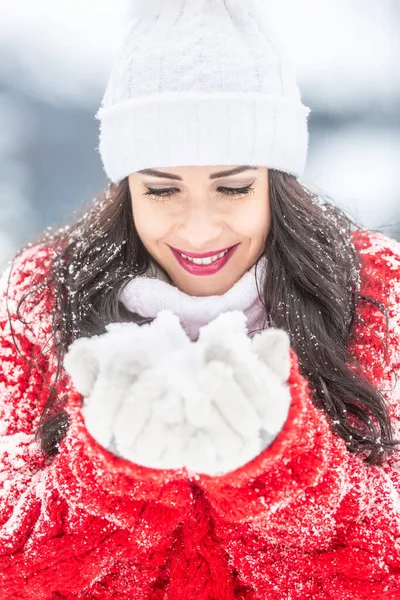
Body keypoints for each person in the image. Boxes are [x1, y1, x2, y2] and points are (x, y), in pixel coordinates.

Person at [1, 0, 400, 598]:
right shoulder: (41, 303)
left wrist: (278, 470)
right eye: (161, 190)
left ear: (277, 180)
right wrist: (112, 472)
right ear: (125, 187)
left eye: (233, 186)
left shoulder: (374, 294)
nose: (198, 230)